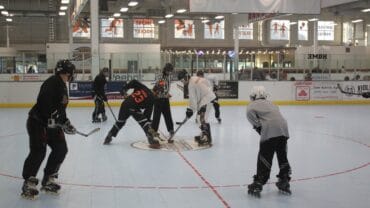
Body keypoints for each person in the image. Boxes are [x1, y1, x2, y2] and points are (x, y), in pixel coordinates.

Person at [21, 59, 77, 199]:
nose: (72, 75)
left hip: (52, 125)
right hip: (38, 123)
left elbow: (60, 109)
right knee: (39, 151)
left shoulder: (62, 85)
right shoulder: (51, 83)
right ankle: (28, 182)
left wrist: (66, 122)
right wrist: (57, 119)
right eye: (71, 73)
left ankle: (48, 179)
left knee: (61, 149)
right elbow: (44, 105)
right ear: (66, 73)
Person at [246, 86, 291, 197]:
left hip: (270, 130)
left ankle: (259, 182)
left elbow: (255, 122)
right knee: (282, 155)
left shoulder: (251, 106)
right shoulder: (272, 104)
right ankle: (284, 178)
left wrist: (262, 131)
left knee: (265, 156)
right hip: (284, 129)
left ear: (253, 96)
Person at [103, 79, 161, 149]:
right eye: (159, 94)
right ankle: (151, 139)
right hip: (133, 107)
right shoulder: (152, 99)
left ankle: (109, 135)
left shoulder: (144, 87)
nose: (158, 96)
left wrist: (125, 89)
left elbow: (134, 81)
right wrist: (149, 127)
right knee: (144, 122)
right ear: (157, 92)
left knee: (120, 122)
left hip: (125, 103)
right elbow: (147, 116)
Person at [178, 70, 216, 146]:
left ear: (186, 77)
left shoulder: (190, 85)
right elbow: (207, 83)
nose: (182, 82)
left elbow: (193, 102)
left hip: (206, 99)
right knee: (201, 118)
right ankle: (205, 135)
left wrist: (190, 110)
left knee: (200, 118)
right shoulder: (195, 78)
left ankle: (206, 138)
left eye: (182, 80)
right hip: (207, 97)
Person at [152, 63, 175, 142]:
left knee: (168, 115)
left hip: (165, 99)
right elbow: (158, 87)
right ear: (166, 69)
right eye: (169, 71)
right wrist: (163, 92)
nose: (170, 72)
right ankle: (153, 131)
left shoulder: (169, 76)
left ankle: (171, 129)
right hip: (158, 99)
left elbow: (166, 86)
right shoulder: (160, 76)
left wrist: (166, 93)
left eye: (171, 71)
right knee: (156, 116)